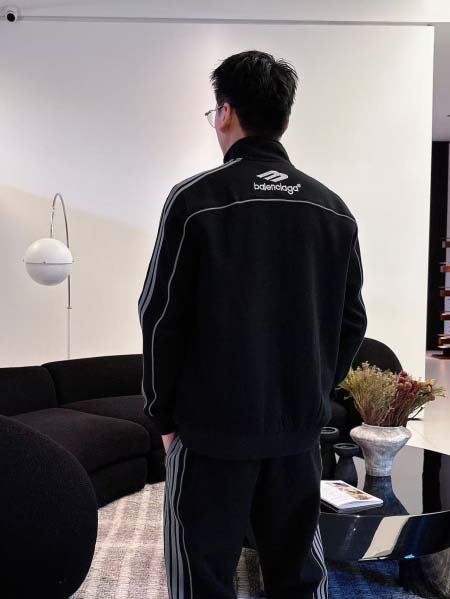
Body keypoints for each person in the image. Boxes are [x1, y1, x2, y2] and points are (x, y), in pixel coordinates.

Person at [138, 49, 368, 599]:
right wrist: (314, 390)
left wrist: (163, 415)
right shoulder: (333, 209)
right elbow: (352, 321)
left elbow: (159, 315)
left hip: (210, 432)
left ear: (226, 112)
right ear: (283, 117)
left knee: (202, 577)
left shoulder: (195, 200)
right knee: (298, 575)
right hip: (298, 433)